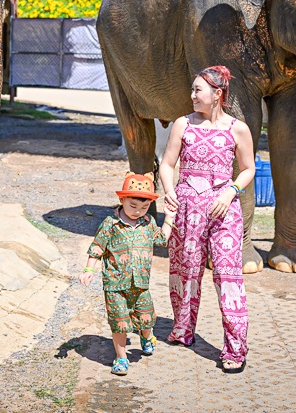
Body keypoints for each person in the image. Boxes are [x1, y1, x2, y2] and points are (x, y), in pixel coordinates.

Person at [159, 65, 254, 373]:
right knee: (185, 271)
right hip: (187, 209)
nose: (192, 95)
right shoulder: (182, 124)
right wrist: (169, 190)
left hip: (224, 211)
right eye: (192, 89)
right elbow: (167, 163)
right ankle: (183, 329)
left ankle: (235, 349)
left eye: (198, 90)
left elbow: (248, 168)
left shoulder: (237, 129)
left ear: (218, 94)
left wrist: (231, 192)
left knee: (228, 278)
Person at [79, 172, 167, 376]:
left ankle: (146, 336)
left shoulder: (149, 222)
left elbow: (162, 240)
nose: (138, 211)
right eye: (133, 206)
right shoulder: (110, 224)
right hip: (115, 284)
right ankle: (121, 357)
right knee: (119, 321)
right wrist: (89, 269)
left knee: (146, 317)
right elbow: (97, 248)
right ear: (122, 200)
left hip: (141, 283)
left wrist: (169, 217)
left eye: (144, 207)